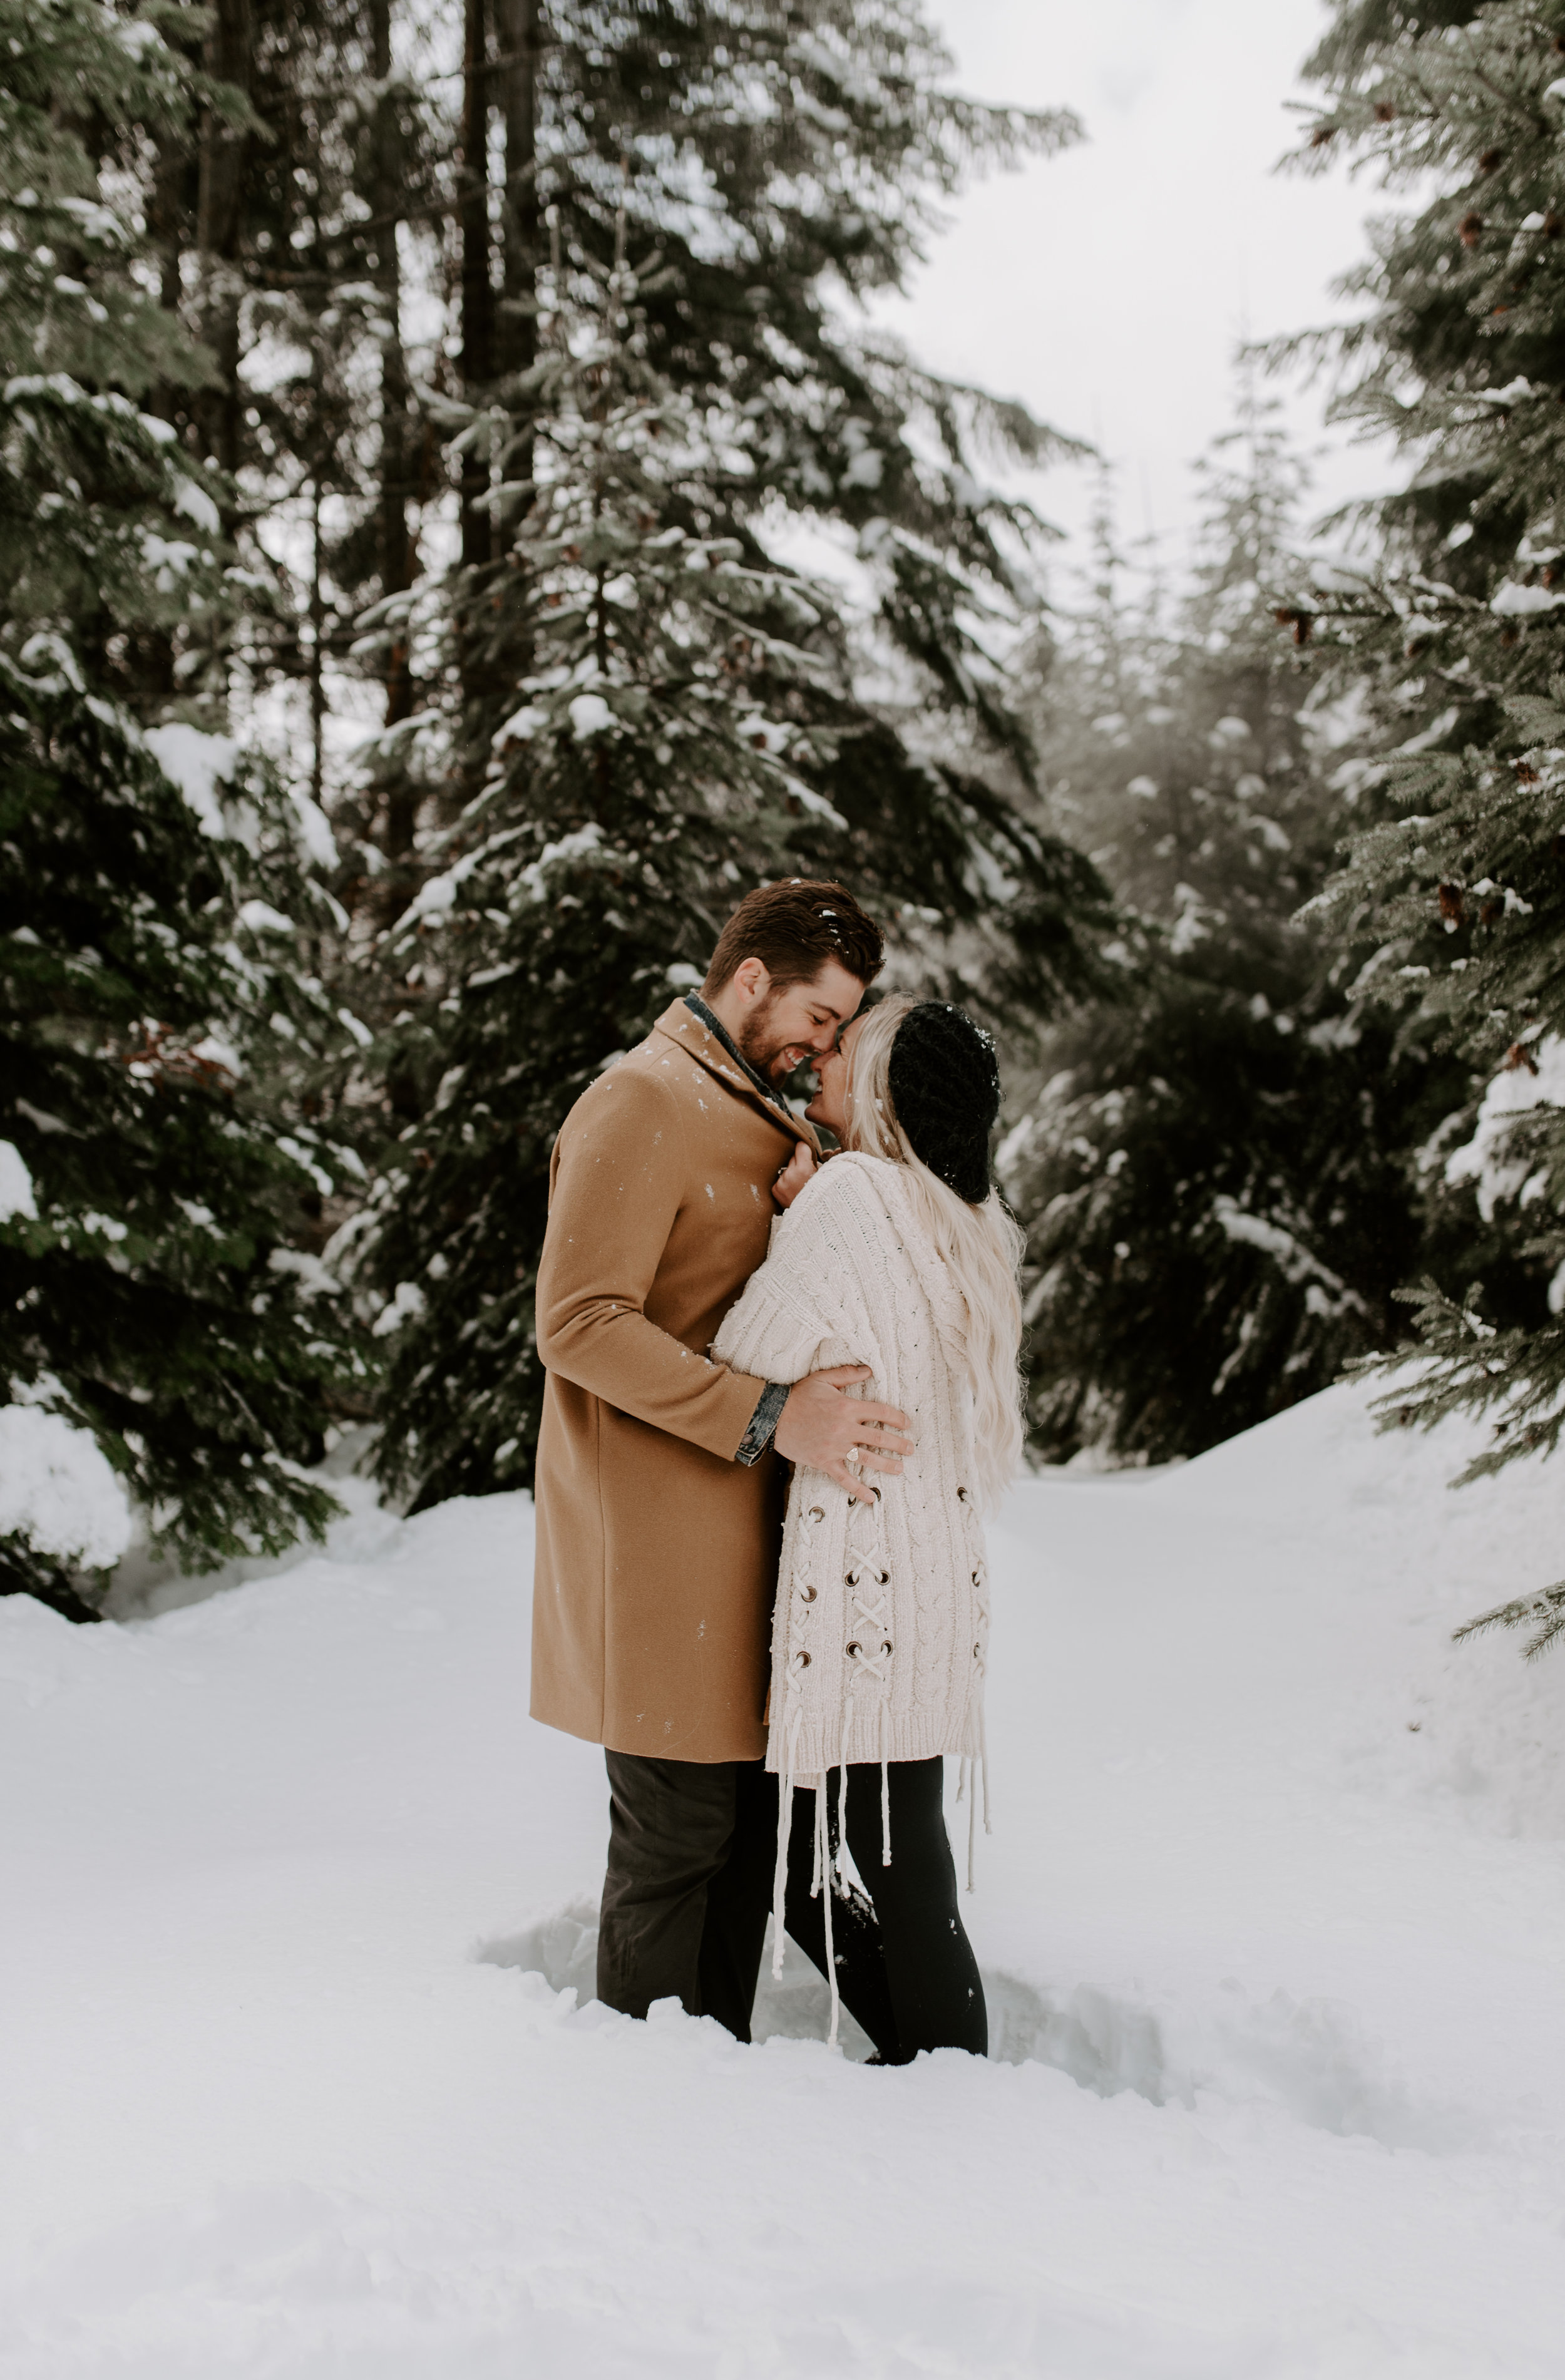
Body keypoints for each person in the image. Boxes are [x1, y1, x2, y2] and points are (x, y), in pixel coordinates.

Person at [530, 880, 913, 2041]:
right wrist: (770, 1416)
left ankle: (718, 2108)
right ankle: (646, 2124)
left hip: (747, 1556)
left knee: (743, 1845)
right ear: (750, 979)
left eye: (841, 1031)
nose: (827, 1045)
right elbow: (580, 1322)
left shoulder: (759, 1110)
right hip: (655, 1554)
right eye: (822, 1017)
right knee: (677, 1845)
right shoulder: (639, 1099)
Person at [712, 994, 1025, 2061]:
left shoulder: (849, 1197)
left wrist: (794, 1212)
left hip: (869, 1588)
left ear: (882, 1085)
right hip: (934, 1579)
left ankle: (942, 2081)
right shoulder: (962, 1215)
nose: (824, 1057)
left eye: (845, 1047)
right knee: (904, 1863)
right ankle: (934, 2068)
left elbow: (745, 1341)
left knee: (811, 1860)